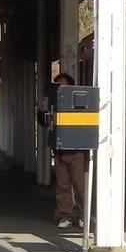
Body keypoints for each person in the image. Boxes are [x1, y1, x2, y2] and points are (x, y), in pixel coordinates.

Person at [44, 72, 87, 229]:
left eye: (64, 86)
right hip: (60, 151)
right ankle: (66, 216)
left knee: (80, 186)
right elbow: (44, 122)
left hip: (77, 151)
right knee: (62, 186)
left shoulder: (80, 101)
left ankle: (83, 215)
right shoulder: (52, 104)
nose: (61, 89)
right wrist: (43, 110)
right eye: (58, 87)